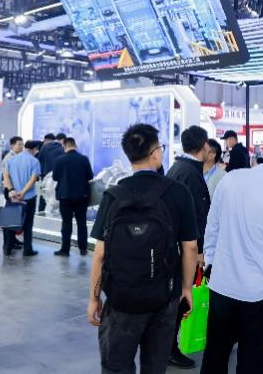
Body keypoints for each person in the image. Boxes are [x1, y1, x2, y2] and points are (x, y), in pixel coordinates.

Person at [88, 123, 198, 374]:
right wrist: (186, 289)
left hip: (121, 298)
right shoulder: (178, 192)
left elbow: (100, 253)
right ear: (155, 153)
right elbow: (190, 247)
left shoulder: (113, 195)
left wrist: (94, 298)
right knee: (155, 366)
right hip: (164, 296)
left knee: (116, 366)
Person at [200, 144, 263, 374]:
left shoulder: (230, 179)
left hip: (222, 286)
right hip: (261, 293)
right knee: (253, 360)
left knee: (215, 355)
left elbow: (212, 226)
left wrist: (210, 263)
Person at [165, 125, 211, 369]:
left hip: (172, 245)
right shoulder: (191, 174)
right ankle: (171, 349)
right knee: (183, 295)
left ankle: (168, 346)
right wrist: (199, 250)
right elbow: (196, 217)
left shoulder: (177, 168)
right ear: (204, 146)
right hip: (183, 248)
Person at [52, 137, 94, 257]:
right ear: (75, 145)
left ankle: (65, 250)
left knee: (66, 223)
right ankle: (83, 249)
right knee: (81, 222)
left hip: (65, 196)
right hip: (82, 196)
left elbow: (55, 177)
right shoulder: (84, 159)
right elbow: (90, 176)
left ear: (64, 146)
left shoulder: (59, 160)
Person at [3, 140, 41, 256]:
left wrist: (11, 190)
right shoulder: (34, 161)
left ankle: (8, 248)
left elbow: (6, 177)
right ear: (35, 149)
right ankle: (28, 249)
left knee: (10, 223)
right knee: (28, 224)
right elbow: (33, 179)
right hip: (29, 197)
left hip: (13, 196)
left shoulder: (11, 160)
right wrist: (23, 192)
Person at [38, 133, 65, 212]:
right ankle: (59, 210)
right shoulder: (62, 149)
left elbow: (39, 160)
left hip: (45, 175)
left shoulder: (44, 148)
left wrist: (42, 173)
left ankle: (40, 210)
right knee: (59, 192)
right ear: (62, 140)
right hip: (58, 176)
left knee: (44, 194)